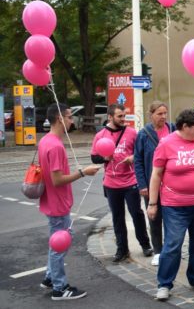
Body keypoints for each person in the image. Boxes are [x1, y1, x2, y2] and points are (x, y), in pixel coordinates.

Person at [147, 110, 194, 301]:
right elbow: (156, 174)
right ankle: (164, 284)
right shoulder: (167, 144)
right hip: (175, 205)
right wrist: (153, 203)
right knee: (173, 244)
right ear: (184, 127)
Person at [39, 103, 100, 300]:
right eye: (69, 117)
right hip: (58, 203)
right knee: (60, 244)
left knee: (56, 240)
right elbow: (57, 180)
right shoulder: (55, 146)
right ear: (59, 119)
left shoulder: (45, 141)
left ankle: (50, 277)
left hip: (51, 201)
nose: (72, 121)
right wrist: (83, 172)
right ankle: (59, 287)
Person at [91, 104, 152, 263]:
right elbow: (94, 157)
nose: (123, 119)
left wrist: (133, 157)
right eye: (120, 116)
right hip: (111, 183)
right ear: (110, 117)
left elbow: (141, 152)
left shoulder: (132, 133)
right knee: (117, 218)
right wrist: (105, 158)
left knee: (137, 214)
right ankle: (122, 249)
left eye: (124, 116)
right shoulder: (101, 135)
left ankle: (145, 244)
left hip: (131, 180)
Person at [134, 101, 175, 266]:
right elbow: (137, 161)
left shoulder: (172, 129)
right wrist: (142, 184)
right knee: (154, 218)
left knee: (172, 218)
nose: (163, 117)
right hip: (152, 184)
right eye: (159, 113)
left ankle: (171, 250)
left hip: (172, 183)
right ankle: (158, 251)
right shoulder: (143, 134)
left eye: (165, 113)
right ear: (151, 115)